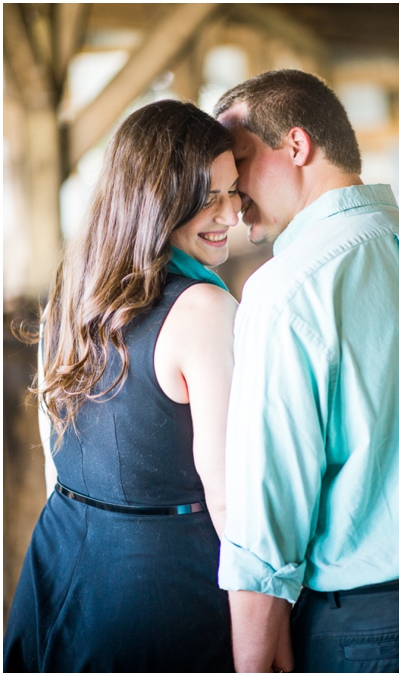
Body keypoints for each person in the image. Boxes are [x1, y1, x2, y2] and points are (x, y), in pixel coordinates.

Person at [212, 69, 399, 673]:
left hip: (364, 630)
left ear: (296, 146)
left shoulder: (284, 291)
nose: (230, 193)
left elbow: (268, 522)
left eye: (239, 162)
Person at [3, 100, 240, 672]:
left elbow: (55, 452)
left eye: (236, 193)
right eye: (209, 196)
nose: (230, 215)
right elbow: (232, 498)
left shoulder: (74, 294)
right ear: (159, 198)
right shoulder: (205, 308)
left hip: (57, 557)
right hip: (158, 583)